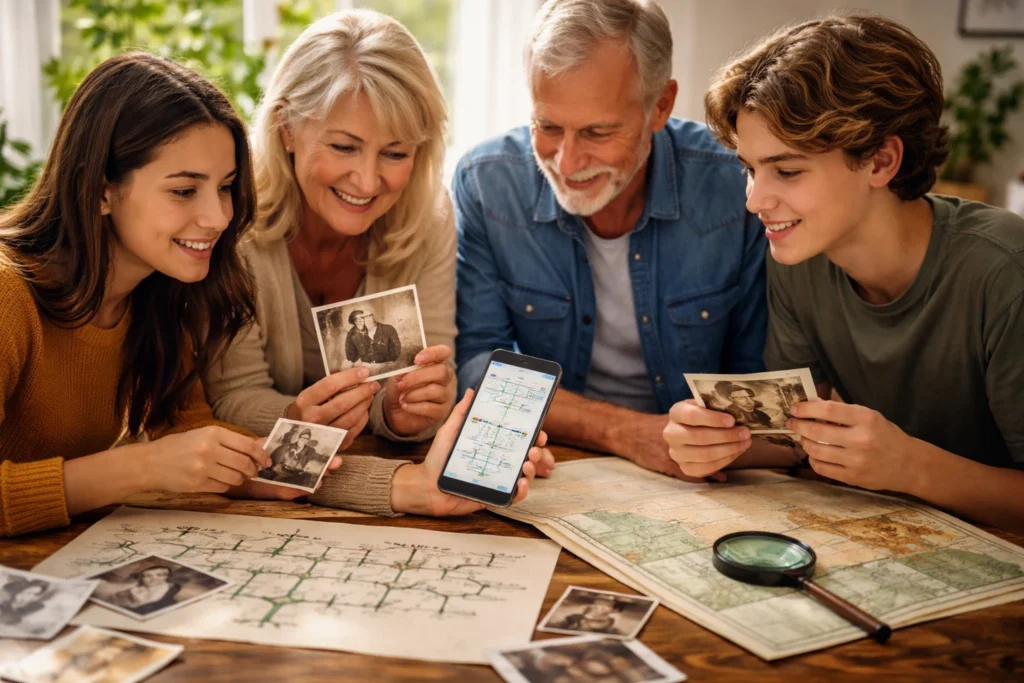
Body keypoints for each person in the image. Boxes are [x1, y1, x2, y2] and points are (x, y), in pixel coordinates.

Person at [666, 15, 1024, 531]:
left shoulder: (1004, 274)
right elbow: (798, 440)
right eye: (750, 168)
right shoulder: (799, 256)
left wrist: (911, 467)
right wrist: (715, 443)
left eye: (787, 171)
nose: (754, 201)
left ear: (881, 161)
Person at [205, 10, 514, 516]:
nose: (367, 182)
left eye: (394, 154)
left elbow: (428, 385)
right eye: (344, 147)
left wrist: (405, 410)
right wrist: (294, 415)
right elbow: (231, 397)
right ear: (286, 127)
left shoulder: (428, 217)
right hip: (268, 491)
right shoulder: (228, 221)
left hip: (371, 485)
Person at [453, 0, 767, 480]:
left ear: (660, 105)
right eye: (548, 126)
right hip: (552, 460)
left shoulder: (735, 185)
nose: (567, 161)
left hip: (706, 471)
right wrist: (624, 432)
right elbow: (476, 367)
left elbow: (759, 377)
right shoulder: (487, 182)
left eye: (597, 132)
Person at [0, 52, 281, 538]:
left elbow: (188, 431)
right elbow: (160, 460)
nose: (217, 217)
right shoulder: (8, 294)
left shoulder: (161, 291)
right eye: (183, 191)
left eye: (226, 187)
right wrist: (139, 468)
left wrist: (295, 431)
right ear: (102, 190)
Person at [109, 566, 180, 615]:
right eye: (148, 576)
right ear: (140, 578)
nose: (154, 578)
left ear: (166, 576)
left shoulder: (171, 591)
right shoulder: (130, 592)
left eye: (159, 575)